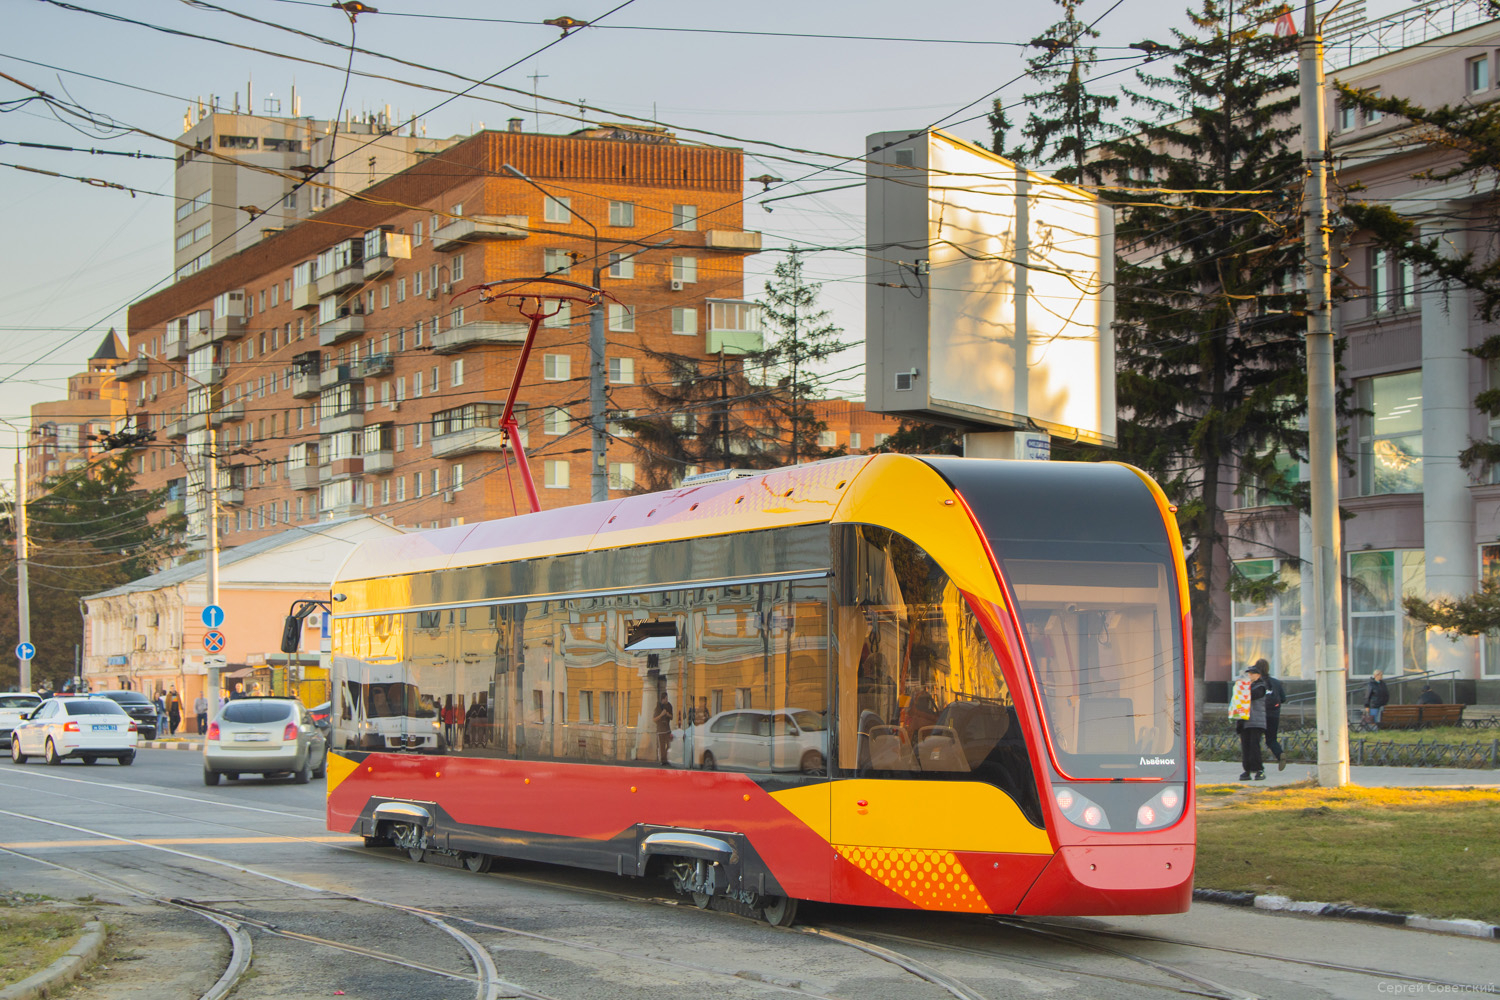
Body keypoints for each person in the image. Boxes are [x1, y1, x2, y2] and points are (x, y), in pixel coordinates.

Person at [1236, 662, 1268, 780]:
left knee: (1254, 746)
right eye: (1249, 673)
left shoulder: (1260, 687)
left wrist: (1242, 688)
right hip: (1244, 721)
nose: (1250, 675)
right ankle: (1247, 770)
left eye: (1252, 673)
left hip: (1256, 721)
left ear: (1258, 675)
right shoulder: (1247, 686)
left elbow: (1252, 695)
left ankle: (1259, 770)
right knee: (1246, 746)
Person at [1256, 658, 1287, 771]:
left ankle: (1258, 765)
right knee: (1271, 739)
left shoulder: (1256, 683)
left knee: (1255, 740)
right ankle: (1280, 754)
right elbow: (1283, 698)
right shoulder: (1276, 682)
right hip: (1274, 715)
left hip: (1259, 716)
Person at [652, 689, 674, 766]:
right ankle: (663, 760)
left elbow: (672, 717)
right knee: (662, 746)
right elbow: (654, 719)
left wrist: (667, 714)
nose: (667, 700)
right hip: (661, 730)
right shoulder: (658, 707)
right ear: (663, 699)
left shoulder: (669, 706)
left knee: (669, 745)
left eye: (667, 699)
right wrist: (661, 715)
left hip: (667, 729)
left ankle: (666, 758)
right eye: (666, 699)